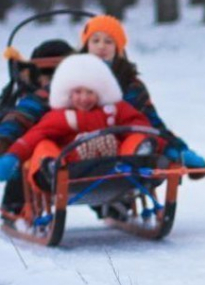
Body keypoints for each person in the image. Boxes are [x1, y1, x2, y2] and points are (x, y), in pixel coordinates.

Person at [79, 15, 205, 178]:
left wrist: (180, 151)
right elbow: (48, 104)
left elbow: (151, 122)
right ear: (86, 46)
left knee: (143, 141)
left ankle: (142, 166)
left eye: (108, 41)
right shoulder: (72, 76)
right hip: (81, 148)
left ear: (118, 49)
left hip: (125, 146)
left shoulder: (130, 85)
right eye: (95, 41)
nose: (101, 46)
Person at [0, 54, 152, 189]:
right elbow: (35, 135)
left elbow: (139, 124)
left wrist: (156, 140)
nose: (84, 98)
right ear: (68, 94)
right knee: (44, 145)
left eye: (90, 92)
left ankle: (139, 156)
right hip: (72, 169)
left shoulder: (115, 109)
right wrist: (14, 155)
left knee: (137, 136)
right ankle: (51, 167)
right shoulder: (61, 116)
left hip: (116, 164)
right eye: (78, 92)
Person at [0, 39, 74, 217]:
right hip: (42, 157)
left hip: (79, 149)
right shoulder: (39, 97)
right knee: (23, 156)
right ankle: (15, 203)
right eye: (48, 75)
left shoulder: (88, 93)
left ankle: (116, 200)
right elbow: (19, 117)